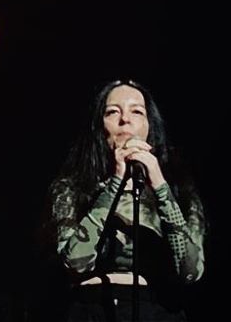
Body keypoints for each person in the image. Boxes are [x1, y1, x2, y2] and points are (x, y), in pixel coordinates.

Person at [44, 80, 206, 321]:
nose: (125, 120)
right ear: (99, 126)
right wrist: (115, 182)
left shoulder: (179, 188)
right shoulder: (73, 187)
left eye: (137, 111)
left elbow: (190, 272)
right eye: (112, 112)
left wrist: (160, 185)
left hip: (158, 309)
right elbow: (75, 262)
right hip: (93, 308)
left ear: (150, 126)